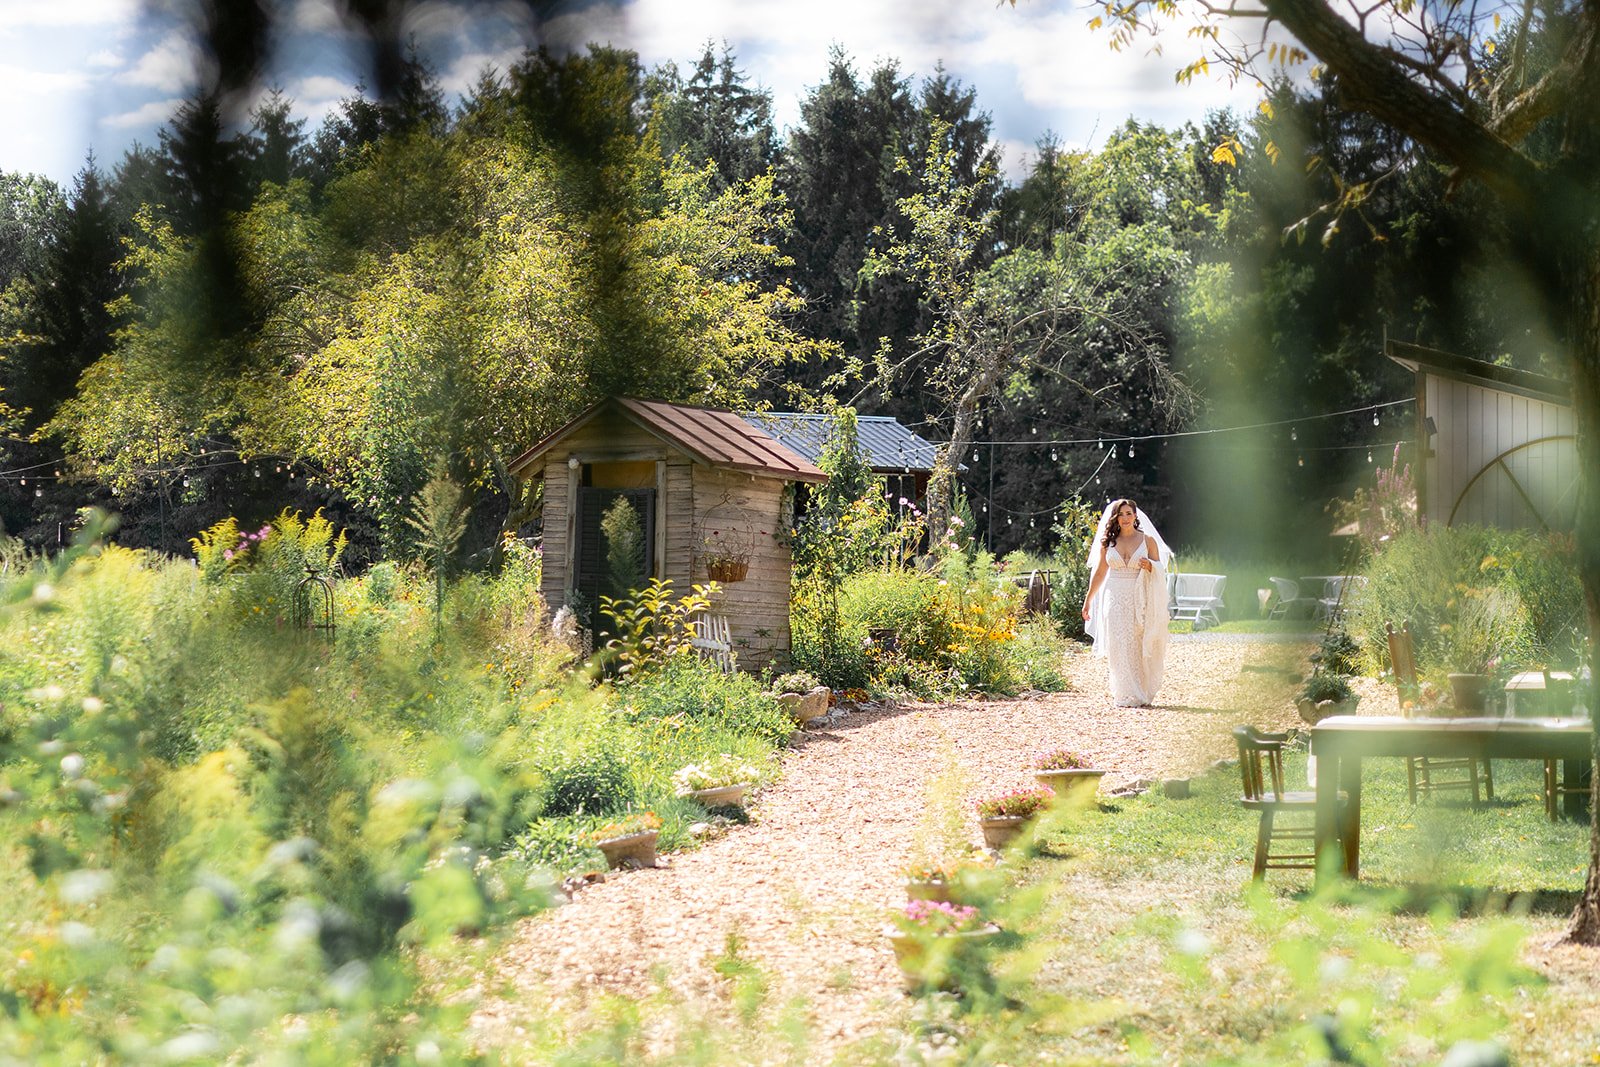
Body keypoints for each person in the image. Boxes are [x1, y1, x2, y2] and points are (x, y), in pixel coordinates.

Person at [1080, 499, 1173, 706]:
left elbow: (1160, 569)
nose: (1125, 518)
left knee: (1137, 642)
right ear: (1115, 518)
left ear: (1135, 516)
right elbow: (1100, 572)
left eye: (1128, 513)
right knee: (1118, 643)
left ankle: (1141, 690)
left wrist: (1150, 565)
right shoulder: (1108, 543)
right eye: (1121, 514)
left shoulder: (1147, 541)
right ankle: (1124, 691)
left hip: (1138, 596)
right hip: (1114, 597)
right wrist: (1088, 599)